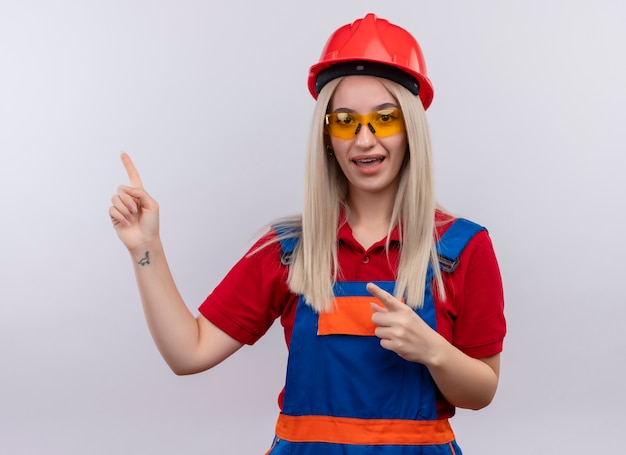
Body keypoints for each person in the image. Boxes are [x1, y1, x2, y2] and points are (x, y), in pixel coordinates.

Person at [109, 13, 506, 455]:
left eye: (385, 118)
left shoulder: (462, 248)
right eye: (345, 121)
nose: (364, 139)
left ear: (410, 128)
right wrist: (146, 248)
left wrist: (434, 350)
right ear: (326, 135)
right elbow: (189, 352)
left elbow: (481, 391)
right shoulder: (287, 251)